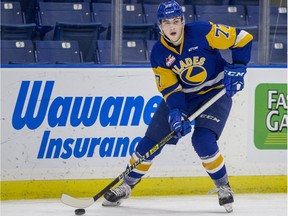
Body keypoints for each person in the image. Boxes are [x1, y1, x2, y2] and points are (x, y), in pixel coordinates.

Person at [102, 0, 253, 213]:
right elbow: (171, 89)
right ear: (159, 26)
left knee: (202, 140)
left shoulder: (203, 31)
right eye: (166, 22)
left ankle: (223, 187)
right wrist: (176, 113)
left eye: (175, 21)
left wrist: (239, 66)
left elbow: (243, 38)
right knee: (150, 142)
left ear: (183, 21)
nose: (171, 27)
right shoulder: (158, 53)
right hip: (184, 97)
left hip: (215, 94)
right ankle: (126, 185)